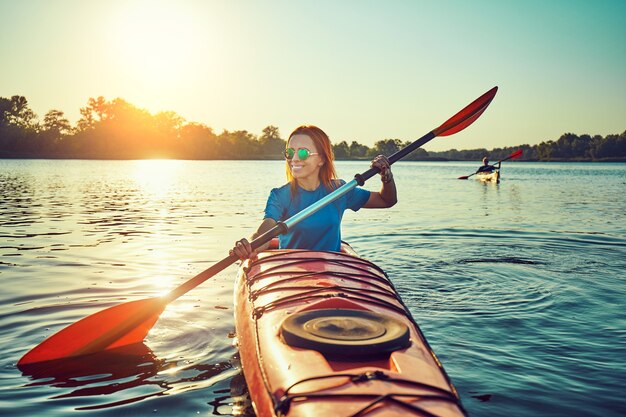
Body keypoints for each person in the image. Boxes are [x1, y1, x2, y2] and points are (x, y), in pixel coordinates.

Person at [230, 125, 397, 260]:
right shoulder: (280, 195)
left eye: (303, 153)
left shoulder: (339, 191)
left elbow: (386, 200)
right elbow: (264, 232)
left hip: (331, 272)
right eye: (289, 152)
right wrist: (250, 246)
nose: (294, 159)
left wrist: (386, 177)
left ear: (322, 159)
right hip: (292, 273)